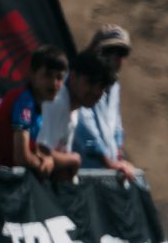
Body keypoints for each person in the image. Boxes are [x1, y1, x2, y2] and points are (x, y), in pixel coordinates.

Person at [39, 24, 134, 179]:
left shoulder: (113, 86)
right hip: (87, 169)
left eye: (121, 53)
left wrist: (117, 158)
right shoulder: (66, 95)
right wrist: (105, 161)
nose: (116, 58)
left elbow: (116, 125)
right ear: (95, 49)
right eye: (110, 51)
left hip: (101, 174)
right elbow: (41, 150)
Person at [0, 46, 72, 179]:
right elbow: (21, 157)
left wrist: (47, 158)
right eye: (47, 75)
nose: (54, 83)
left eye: (59, 78)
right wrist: (43, 165)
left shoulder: (33, 103)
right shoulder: (24, 103)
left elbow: (31, 149)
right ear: (32, 74)